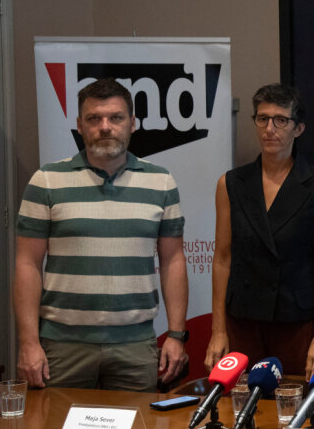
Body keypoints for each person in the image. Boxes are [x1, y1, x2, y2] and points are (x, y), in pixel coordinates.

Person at [14, 77, 188, 391]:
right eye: (94, 118)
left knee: (135, 424)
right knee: (55, 424)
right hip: (62, 347)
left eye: (115, 118)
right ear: (80, 125)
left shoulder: (161, 182)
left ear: (132, 123)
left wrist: (176, 335)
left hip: (135, 347)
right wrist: (28, 343)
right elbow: (27, 264)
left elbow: (173, 260)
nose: (105, 127)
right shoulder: (46, 181)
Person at [204, 84, 314, 376]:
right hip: (243, 320)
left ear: (298, 128)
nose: (270, 129)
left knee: (297, 398)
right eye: (263, 119)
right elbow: (222, 258)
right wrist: (218, 331)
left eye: (281, 120)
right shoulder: (231, 184)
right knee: (241, 399)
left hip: (297, 322)